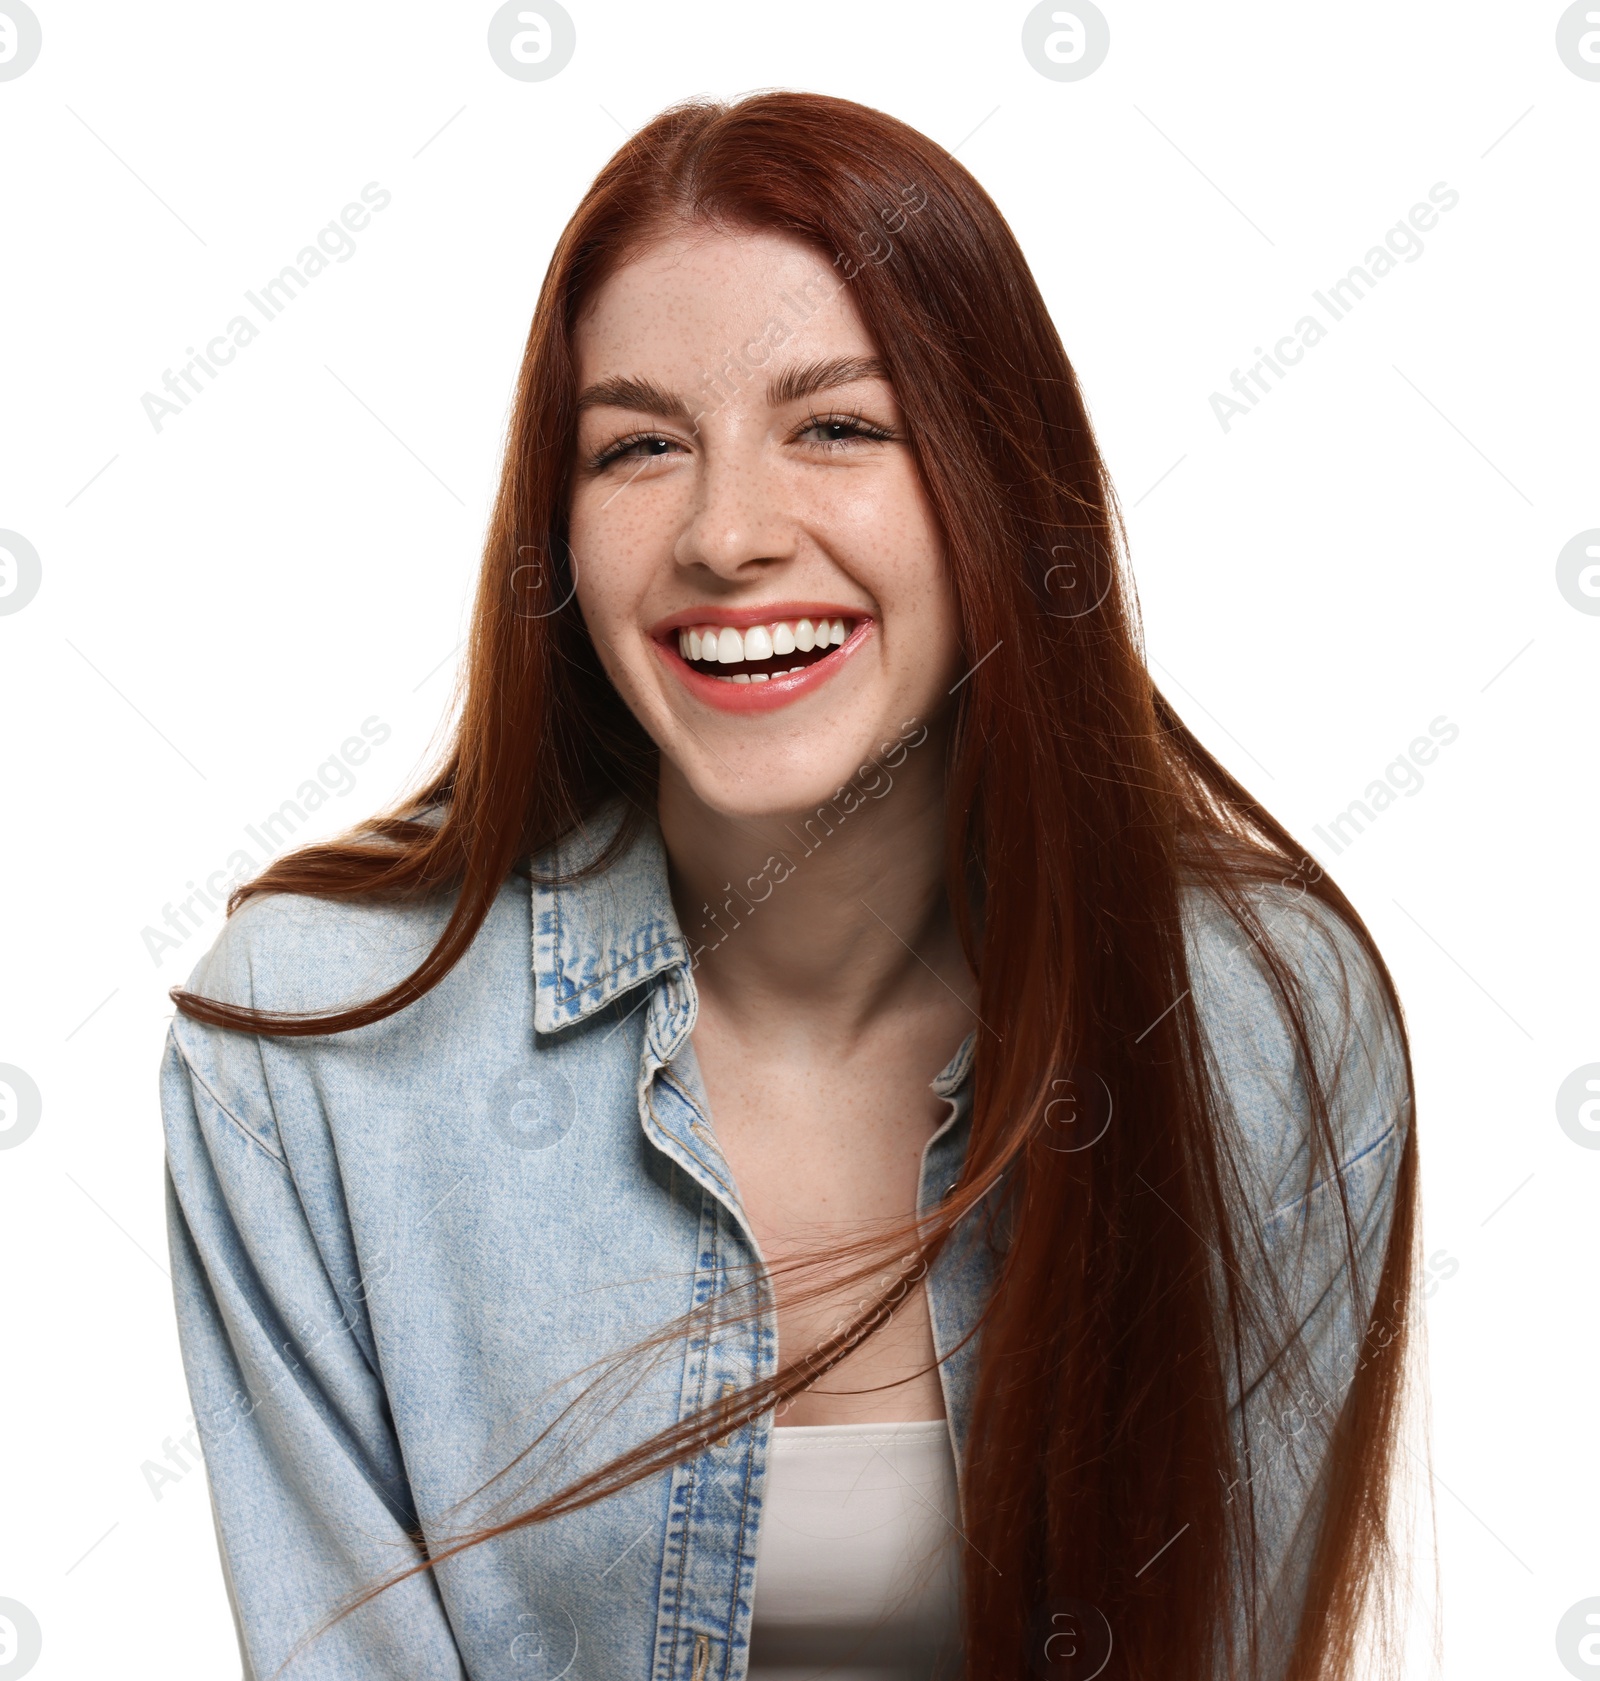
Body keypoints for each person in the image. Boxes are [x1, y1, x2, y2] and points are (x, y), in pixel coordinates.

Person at [161, 92, 1418, 1681]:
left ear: (997, 484)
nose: (727, 534)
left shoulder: (1258, 1018)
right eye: (636, 447)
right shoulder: (308, 1054)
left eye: (837, 424)